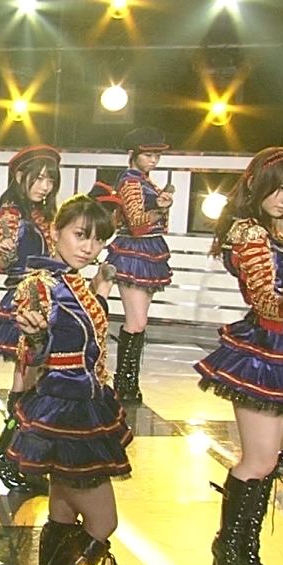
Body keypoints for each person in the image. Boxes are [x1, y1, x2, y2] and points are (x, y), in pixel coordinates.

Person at [0, 195, 129, 565]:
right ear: (55, 231)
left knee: (62, 511)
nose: (89, 246)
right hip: (67, 414)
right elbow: (30, 343)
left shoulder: (74, 283)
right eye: (80, 234)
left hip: (79, 407)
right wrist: (32, 333)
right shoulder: (42, 284)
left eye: (97, 239)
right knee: (103, 522)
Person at [193, 147, 283, 565]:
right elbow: (262, 296)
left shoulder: (266, 230)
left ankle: (240, 549)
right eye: (281, 187)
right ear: (256, 183)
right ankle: (232, 549)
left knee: (265, 459)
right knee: (259, 458)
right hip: (266, 348)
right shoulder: (250, 233)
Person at [0, 145, 60, 493]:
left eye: (50, 180)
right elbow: (2, 260)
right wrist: (4, 248)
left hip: (46, 300)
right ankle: (5, 456)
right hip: (26, 300)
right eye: (39, 178)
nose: (45, 186)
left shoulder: (41, 214)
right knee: (25, 382)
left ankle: (8, 456)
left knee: (31, 382)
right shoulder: (11, 213)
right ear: (19, 176)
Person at [106, 127, 173, 403]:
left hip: (147, 250)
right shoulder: (131, 182)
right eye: (148, 155)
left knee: (139, 321)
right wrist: (160, 208)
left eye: (157, 155)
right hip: (135, 251)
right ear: (133, 154)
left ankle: (128, 381)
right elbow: (136, 223)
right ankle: (124, 381)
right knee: (137, 320)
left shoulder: (144, 181)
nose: (153, 160)